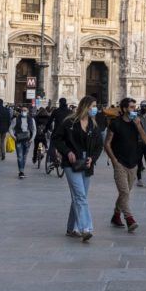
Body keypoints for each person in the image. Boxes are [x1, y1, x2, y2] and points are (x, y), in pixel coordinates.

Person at [52, 95, 103, 241]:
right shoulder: (70, 122)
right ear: (85, 106)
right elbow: (56, 138)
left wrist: (92, 158)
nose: (95, 109)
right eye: (93, 106)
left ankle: (71, 227)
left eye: (95, 106)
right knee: (80, 195)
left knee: (80, 196)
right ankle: (85, 228)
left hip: (86, 162)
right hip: (71, 163)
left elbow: (99, 145)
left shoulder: (94, 125)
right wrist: (67, 152)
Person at [104, 97, 146, 232]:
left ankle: (116, 215)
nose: (134, 109)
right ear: (124, 109)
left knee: (125, 193)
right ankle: (129, 219)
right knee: (124, 191)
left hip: (133, 163)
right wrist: (114, 161)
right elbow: (107, 144)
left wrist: (139, 125)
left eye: (135, 107)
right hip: (120, 163)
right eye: (131, 107)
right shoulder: (115, 123)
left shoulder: (137, 123)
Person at [10, 106, 36, 179]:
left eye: (25, 110)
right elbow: (10, 128)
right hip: (18, 139)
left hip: (28, 140)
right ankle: (21, 171)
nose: (23, 112)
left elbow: (34, 130)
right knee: (20, 156)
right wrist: (13, 136)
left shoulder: (31, 119)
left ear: (27, 111)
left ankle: (22, 170)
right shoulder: (15, 119)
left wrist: (32, 138)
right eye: (22, 110)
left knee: (24, 156)